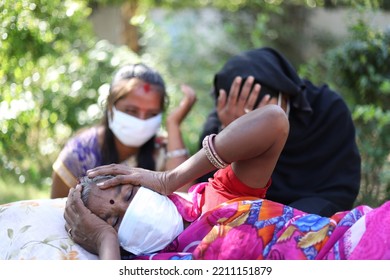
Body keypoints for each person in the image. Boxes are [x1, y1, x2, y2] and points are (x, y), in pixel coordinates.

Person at [63, 104, 390, 260]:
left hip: (352, 242)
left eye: (128, 194)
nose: (128, 210)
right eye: (113, 219)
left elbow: (274, 122)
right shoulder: (153, 265)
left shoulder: (213, 199)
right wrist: (105, 241)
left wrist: (169, 178)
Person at [196, 47, 361, 217]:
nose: (258, 124)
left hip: (310, 215)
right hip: (246, 214)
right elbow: (208, 190)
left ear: (285, 93)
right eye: (247, 117)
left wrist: (287, 220)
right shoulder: (219, 124)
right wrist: (232, 138)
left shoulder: (327, 110)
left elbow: (339, 188)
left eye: (261, 112)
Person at [51, 63, 196, 198]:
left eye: (152, 114)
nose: (141, 121)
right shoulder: (80, 154)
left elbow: (185, 203)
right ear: (110, 106)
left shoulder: (164, 150)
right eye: (131, 111)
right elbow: (57, 213)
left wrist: (173, 124)